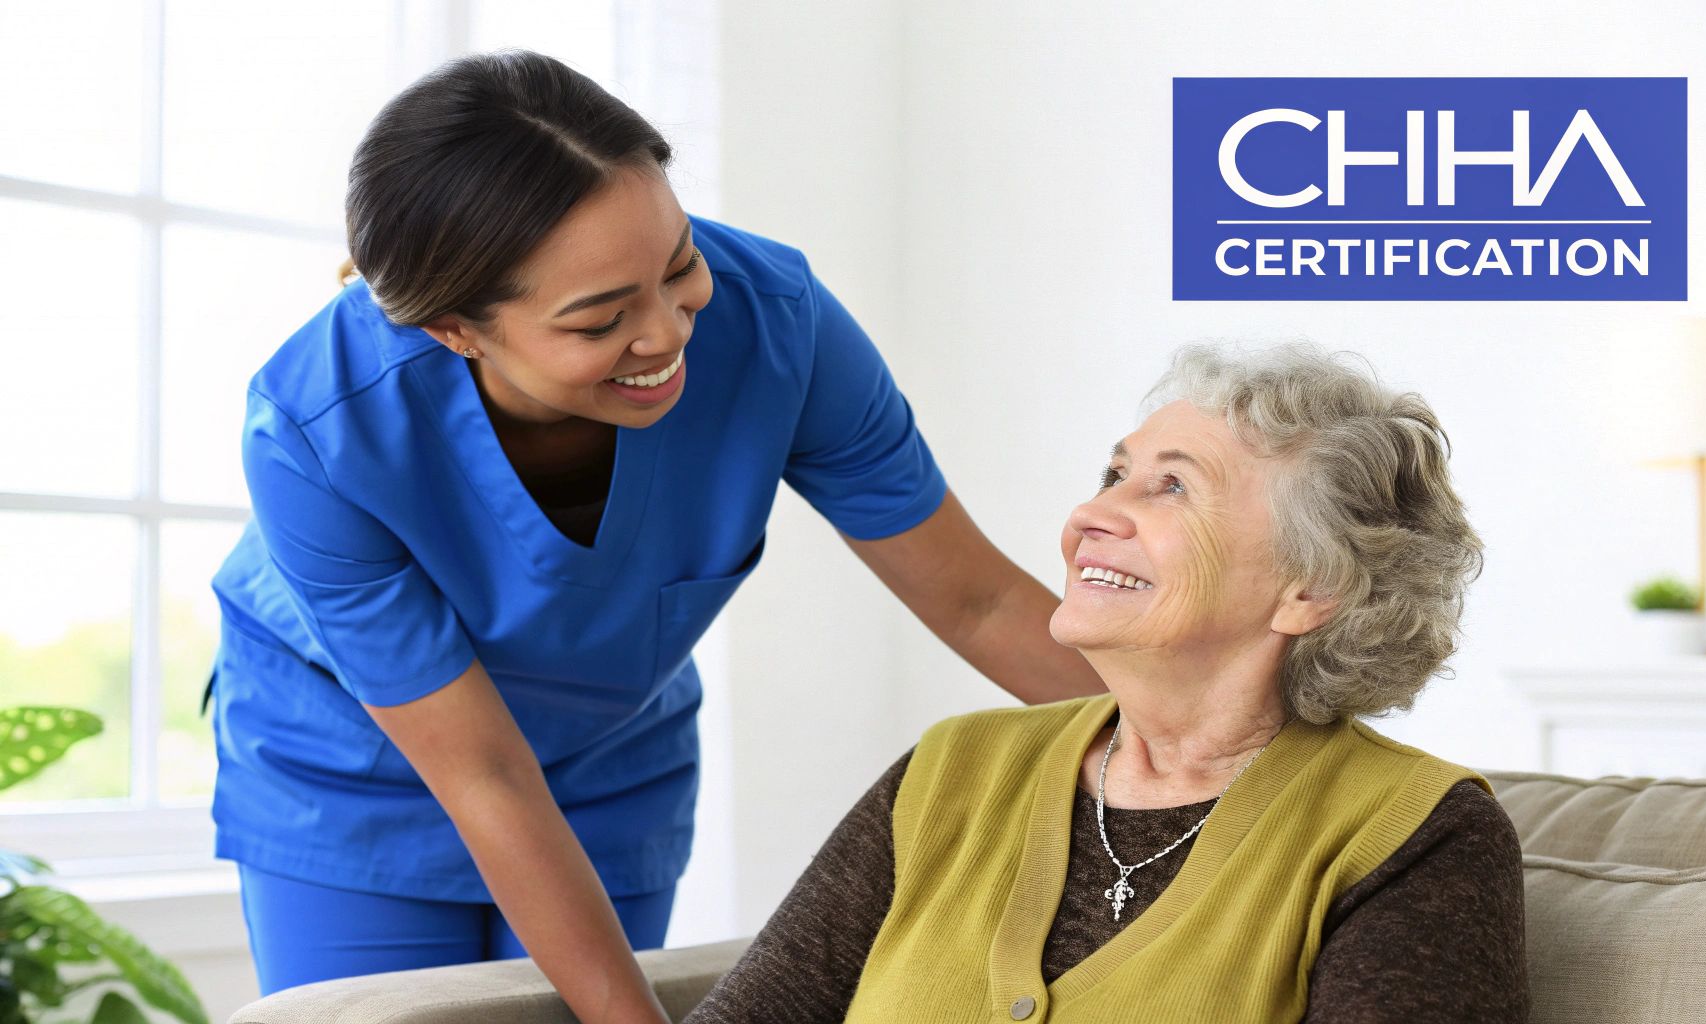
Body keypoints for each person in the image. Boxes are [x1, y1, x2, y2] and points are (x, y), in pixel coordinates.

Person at [203, 49, 1103, 1023]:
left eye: (679, 267)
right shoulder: (319, 431)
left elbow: (979, 600)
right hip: (346, 768)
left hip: (610, 753)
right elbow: (485, 772)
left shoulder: (777, 324)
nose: (667, 332)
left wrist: (1243, 744)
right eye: (599, 319)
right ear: (457, 329)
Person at [685, 341, 1529, 1023]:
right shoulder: (951, 771)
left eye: (1173, 487)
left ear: (1311, 587)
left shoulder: (1414, 834)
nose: (1092, 515)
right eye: (1112, 475)